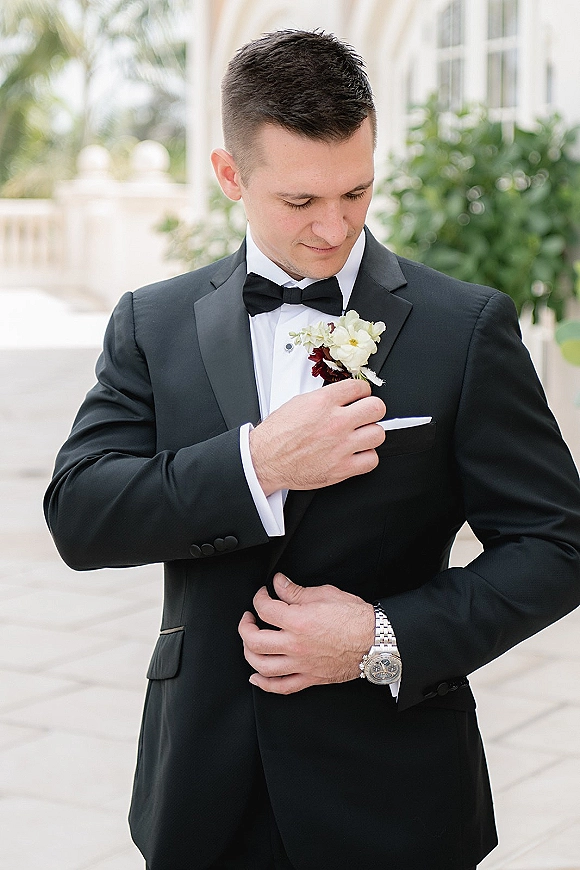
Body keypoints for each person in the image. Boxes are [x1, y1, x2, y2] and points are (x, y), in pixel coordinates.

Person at [44, 29, 580, 870]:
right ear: (231, 175)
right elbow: (80, 513)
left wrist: (386, 635)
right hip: (200, 791)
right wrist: (257, 464)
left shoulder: (465, 328)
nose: (334, 228)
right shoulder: (152, 322)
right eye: (300, 202)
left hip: (396, 794)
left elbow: (557, 545)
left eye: (357, 192)